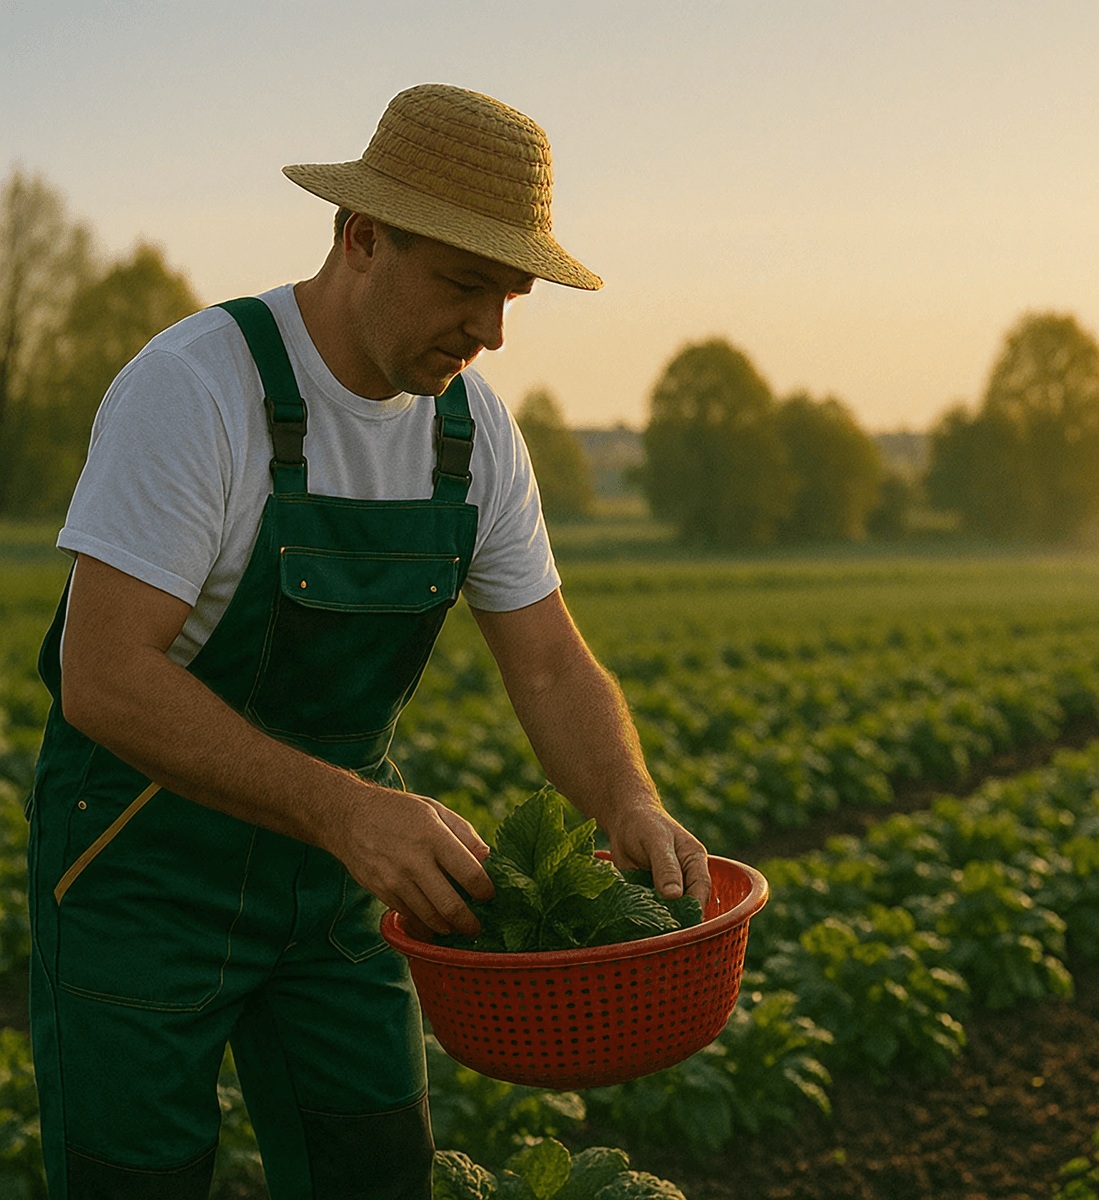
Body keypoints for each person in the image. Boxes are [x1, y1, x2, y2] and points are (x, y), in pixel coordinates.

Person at [25, 83, 709, 1199]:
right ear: (361, 238)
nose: (490, 331)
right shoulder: (198, 390)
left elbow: (548, 662)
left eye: (512, 296)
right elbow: (105, 678)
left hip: (343, 882)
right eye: (464, 284)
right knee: (132, 1178)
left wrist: (626, 800)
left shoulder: (474, 430)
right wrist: (345, 808)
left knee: (374, 1165)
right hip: (141, 872)